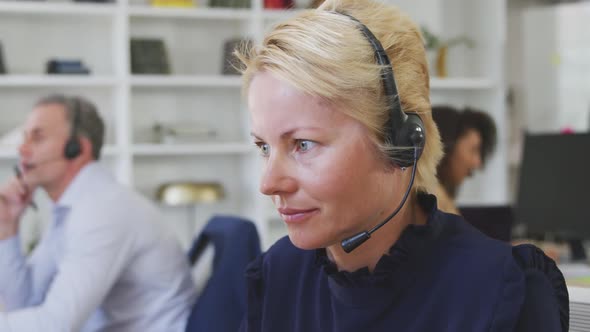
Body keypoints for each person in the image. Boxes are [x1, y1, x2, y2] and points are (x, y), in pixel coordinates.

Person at [235, 0, 569, 331]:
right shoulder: (277, 276)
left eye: (303, 144)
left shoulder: (499, 290)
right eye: (264, 146)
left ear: (402, 142)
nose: (269, 183)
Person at [0, 95, 196, 331]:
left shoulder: (102, 211)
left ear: (77, 148)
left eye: (37, 137)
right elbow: (26, 302)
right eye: (24, 138)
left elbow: (56, 325)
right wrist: (7, 225)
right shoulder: (73, 208)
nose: (22, 149)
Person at [432, 105, 497, 214]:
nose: (478, 162)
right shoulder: (433, 200)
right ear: (446, 145)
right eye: (473, 150)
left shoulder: (440, 200)